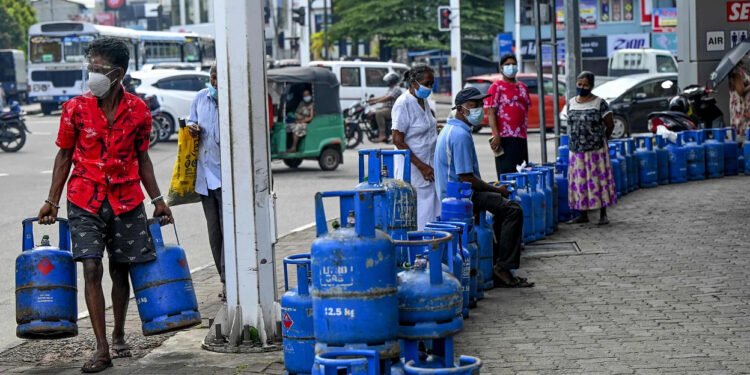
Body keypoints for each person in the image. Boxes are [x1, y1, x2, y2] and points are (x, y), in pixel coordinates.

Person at [37, 37, 173, 373]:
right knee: (91, 267)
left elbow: (143, 159)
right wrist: (51, 201)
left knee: (120, 269)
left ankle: (118, 333)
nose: (92, 75)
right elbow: (64, 155)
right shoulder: (75, 109)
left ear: (118, 73)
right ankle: (101, 348)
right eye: (90, 68)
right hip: (84, 197)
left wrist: (158, 201)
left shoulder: (139, 111)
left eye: (99, 69)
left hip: (126, 200)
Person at [434, 87, 532, 288]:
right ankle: (503, 268)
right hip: (461, 197)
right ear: (461, 109)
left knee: (501, 208)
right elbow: (466, 178)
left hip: (458, 192)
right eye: (473, 106)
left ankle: (497, 259)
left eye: (480, 105)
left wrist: (491, 187)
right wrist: (496, 190)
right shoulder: (459, 134)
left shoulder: (453, 129)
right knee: (512, 209)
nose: (479, 109)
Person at [187, 63, 225, 299]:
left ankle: (230, 280)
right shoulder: (201, 98)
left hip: (226, 177)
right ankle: (224, 278)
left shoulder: (232, 100)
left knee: (227, 229)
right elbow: (191, 121)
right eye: (212, 77)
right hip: (205, 176)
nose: (214, 82)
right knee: (214, 231)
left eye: (218, 78)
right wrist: (191, 127)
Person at [565, 71, 616, 225]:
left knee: (598, 180)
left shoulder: (599, 103)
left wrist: (601, 140)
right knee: (579, 182)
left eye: (586, 85)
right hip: (576, 151)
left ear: (592, 86)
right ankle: (582, 214)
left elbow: (610, 125)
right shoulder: (571, 102)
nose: (582, 87)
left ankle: (603, 214)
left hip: (596, 151)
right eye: (579, 84)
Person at [392, 64, 439, 230]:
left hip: (429, 165)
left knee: (431, 210)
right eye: (427, 83)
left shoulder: (424, 102)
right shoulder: (403, 104)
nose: (429, 88)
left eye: (432, 84)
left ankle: (432, 246)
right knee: (420, 213)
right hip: (414, 168)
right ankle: (420, 250)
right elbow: (397, 139)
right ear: (413, 83)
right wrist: (421, 166)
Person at [485, 54, 531, 175]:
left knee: (521, 172)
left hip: (521, 137)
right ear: (501, 68)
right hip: (504, 138)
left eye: (513, 64)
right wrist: (496, 134)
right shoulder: (496, 87)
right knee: (507, 174)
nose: (511, 67)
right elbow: (491, 113)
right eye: (507, 64)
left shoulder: (523, 87)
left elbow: (524, 110)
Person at [367, 72, 403, 142]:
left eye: (388, 81)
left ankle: (382, 135)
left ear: (392, 81)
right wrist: (371, 100)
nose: (387, 82)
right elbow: (384, 96)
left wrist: (375, 102)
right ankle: (375, 130)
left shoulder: (396, 89)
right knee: (371, 111)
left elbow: (388, 98)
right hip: (386, 109)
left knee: (379, 113)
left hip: (392, 110)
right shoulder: (391, 89)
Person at [728, 60, 750, 140]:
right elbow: (740, 91)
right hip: (740, 108)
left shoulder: (742, 70)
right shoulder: (736, 72)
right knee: (741, 132)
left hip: (745, 107)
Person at [288, 89, 314, 153]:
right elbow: (297, 114)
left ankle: (294, 147)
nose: (306, 96)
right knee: (289, 126)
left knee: (297, 128)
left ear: (310, 95)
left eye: (307, 94)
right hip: (300, 121)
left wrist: (302, 120)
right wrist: (300, 118)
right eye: (304, 95)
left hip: (309, 123)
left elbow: (311, 117)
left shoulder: (312, 104)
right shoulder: (302, 103)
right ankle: (289, 145)